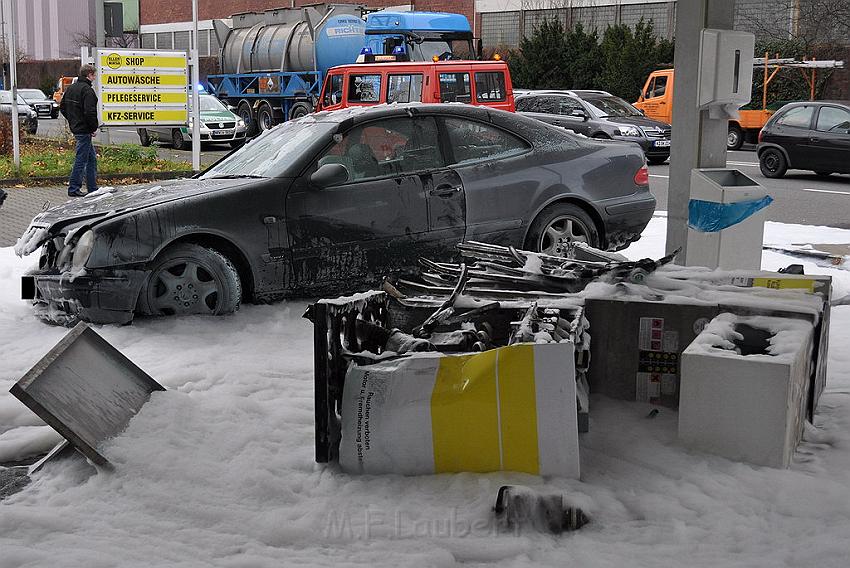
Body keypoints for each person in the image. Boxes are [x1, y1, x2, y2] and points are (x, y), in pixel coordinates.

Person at [60, 64, 99, 197]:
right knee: (81, 160)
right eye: (94, 75)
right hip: (84, 130)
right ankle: (74, 188)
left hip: (77, 128)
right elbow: (90, 112)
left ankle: (93, 188)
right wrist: (93, 128)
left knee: (91, 159)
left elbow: (63, 107)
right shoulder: (87, 91)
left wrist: (73, 120)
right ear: (89, 75)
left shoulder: (71, 88)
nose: (95, 77)